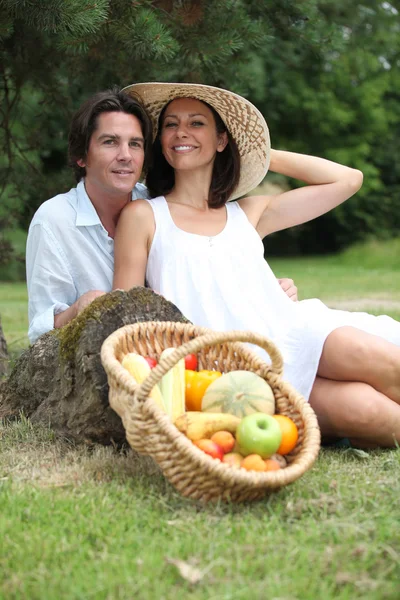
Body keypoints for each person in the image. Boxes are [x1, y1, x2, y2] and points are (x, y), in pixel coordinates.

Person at [112, 82, 400, 448]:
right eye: (171, 124)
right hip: (233, 372)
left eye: (196, 123)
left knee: (380, 359)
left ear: (221, 140)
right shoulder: (144, 216)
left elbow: (347, 180)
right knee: (367, 412)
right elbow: (124, 312)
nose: (181, 132)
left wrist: (259, 153)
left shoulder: (249, 213)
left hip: (293, 331)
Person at [26, 87, 298, 343]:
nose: (125, 156)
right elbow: (40, 329)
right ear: (81, 156)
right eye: (110, 142)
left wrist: (260, 289)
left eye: (135, 144)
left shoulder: (157, 204)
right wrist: (78, 309)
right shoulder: (54, 220)